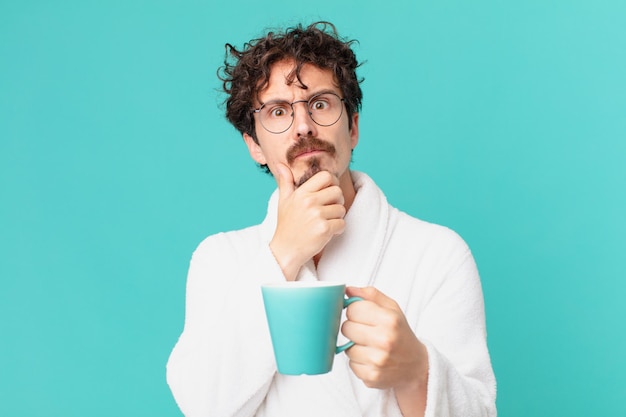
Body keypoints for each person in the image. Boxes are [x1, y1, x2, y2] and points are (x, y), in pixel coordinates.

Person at [166, 21, 496, 417]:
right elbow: (201, 406)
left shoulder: (437, 254)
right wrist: (283, 253)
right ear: (254, 144)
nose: (303, 126)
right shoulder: (219, 260)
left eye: (320, 103)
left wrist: (415, 372)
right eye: (277, 111)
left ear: (353, 126)